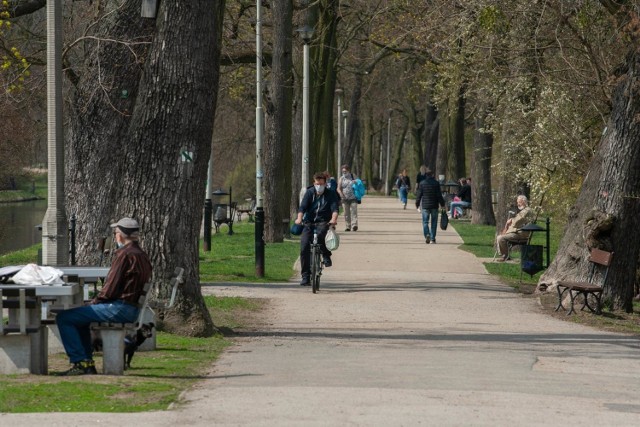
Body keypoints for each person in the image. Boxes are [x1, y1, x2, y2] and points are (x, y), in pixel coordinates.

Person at [56, 218, 152, 375]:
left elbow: (110, 288)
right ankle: (86, 363)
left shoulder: (124, 255)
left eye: (115, 233)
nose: (114, 236)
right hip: (130, 307)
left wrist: (93, 302)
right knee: (78, 317)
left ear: (120, 236)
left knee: (65, 318)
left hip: (119, 308)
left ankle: (81, 362)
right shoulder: (141, 254)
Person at [295, 172, 339, 286]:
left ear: (325, 183)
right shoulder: (310, 193)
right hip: (308, 223)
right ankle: (305, 276)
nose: (318, 186)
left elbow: (334, 209)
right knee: (304, 246)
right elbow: (302, 207)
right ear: (314, 183)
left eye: (321, 183)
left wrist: (333, 219)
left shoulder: (331, 194)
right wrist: (299, 218)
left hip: (324, 222)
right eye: (316, 183)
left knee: (321, 236)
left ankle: (325, 254)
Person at [496, 195, 534, 262]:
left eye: (519, 202)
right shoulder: (524, 210)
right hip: (518, 232)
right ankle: (505, 255)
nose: (517, 204)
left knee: (500, 238)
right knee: (500, 236)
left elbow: (516, 222)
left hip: (521, 234)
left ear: (523, 201)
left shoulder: (527, 211)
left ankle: (505, 256)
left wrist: (511, 220)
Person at [415, 169, 445, 244]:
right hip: (434, 205)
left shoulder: (422, 183)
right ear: (432, 175)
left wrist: (417, 204)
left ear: (426, 175)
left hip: (425, 205)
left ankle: (427, 234)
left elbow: (419, 195)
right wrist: (442, 204)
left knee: (425, 222)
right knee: (434, 222)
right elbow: (439, 195)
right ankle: (432, 239)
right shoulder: (436, 183)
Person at [337, 164, 358, 231]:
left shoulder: (353, 176)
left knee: (353, 211)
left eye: (345, 171)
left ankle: (354, 225)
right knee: (346, 213)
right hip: (344, 198)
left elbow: (359, 183)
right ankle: (348, 226)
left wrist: (356, 182)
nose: (344, 173)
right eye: (343, 171)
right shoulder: (341, 178)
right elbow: (338, 188)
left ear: (348, 170)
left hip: (353, 197)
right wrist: (341, 194)